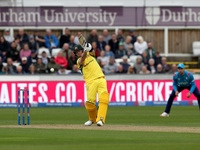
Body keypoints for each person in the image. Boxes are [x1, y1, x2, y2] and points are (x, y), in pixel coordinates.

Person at [73, 44, 109, 126]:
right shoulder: (79, 61)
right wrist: (85, 51)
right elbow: (82, 59)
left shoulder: (90, 54)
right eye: (77, 52)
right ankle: (92, 119)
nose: (79, 53)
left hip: (100, 79)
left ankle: (100, 119)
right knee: (90, 103)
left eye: (79, 51)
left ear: (82, 50)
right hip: (90, 82)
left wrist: (89, 47)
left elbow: (92, 51)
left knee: (104, 99)